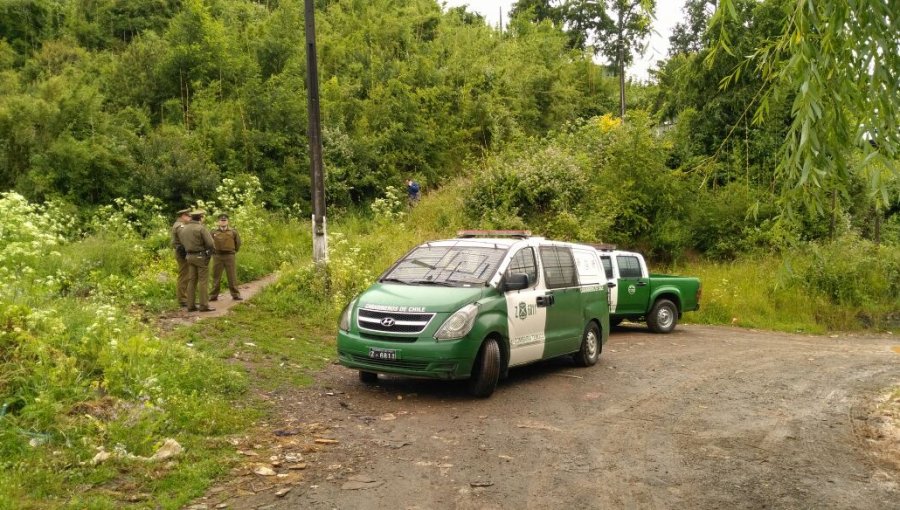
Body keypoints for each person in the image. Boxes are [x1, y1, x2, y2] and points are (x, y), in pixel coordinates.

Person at [176, 210, 216, 312]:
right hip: (200, 256)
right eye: (203, 217)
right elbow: (211, 244)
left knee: (192, 281)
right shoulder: (201, 228)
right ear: (201, 217)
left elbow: (182, 243)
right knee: (203, 281)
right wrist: (208, 253)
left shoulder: (184, 228)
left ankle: (191, 305)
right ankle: (204, 305)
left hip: (189, 256)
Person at [209, 213, 242, 302]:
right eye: (221, 220)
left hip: (229, 256)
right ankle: (213, 295)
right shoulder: (213, 232)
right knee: (216, 276)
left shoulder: (233, 232)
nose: (223, 222)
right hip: (217, 256)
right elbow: (209, 243)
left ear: (228, 221)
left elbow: (238, 243)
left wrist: (233, 251)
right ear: (218, 222)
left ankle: (235, 294)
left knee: (232, 276)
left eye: (225, 220)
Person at [171, 208, 191, 307]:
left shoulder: (180, 225)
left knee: (186, 275)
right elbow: (185, 239)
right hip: (182, 253)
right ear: (183, 215)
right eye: (188, 216)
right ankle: (183, 299)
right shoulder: (180, 226)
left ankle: (185, 297)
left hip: (183, 252)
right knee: (184, 275)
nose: (190, 218)